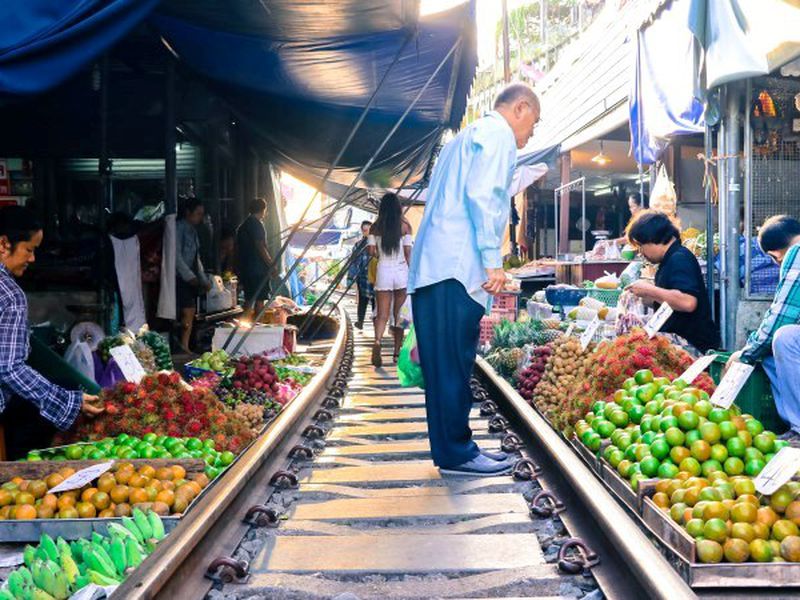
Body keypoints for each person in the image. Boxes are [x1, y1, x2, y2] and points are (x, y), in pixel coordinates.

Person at [407, 83, 540, 476]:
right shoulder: (497, 135)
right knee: (452, 363)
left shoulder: (465, 139)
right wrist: (491, 261)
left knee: (447, 364)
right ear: (520, 108)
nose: (529, 134)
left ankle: (456, 447)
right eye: (532, 125)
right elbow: (483, 198)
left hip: (438, 268)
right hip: (455, 268)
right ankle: (457, 455)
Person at [0, 206, 103, 459]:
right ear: (4, 243)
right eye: (30, 250)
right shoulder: (10, 295)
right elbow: (9, 368)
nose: (33, 259)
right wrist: (69, 402)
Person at [726, 215, 800, 442]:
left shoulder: (796, 253)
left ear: (774, 255)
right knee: (769, 351)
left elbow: (781, 317)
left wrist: (745, 354)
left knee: (784, 337)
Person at [625, 210, 719, 353]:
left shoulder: (679, 259)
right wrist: (646, 298)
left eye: (640, 246)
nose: (640, 253)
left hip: (693, 348)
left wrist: (650, 290)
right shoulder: (669, 259)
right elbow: (671, 299)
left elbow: (688, 302)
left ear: (651, 239)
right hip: (679, 345)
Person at [368, 193, 412, 367]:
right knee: (398, 315)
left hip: (383, 271)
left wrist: (379, 253)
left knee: (382, 314)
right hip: (401, 272)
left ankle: (377, 342)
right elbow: (408, 253)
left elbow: (371, 251)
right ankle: (396, 353)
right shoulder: (405, 226)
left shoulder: (375, 227)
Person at [176, 198, 210, 353]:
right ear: (188, 212)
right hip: (179, 278)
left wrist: (203, 279)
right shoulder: (178, 228)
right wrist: (191, 277)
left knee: (189, 313)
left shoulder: (192, 231)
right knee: (186, 312)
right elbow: (176, 257)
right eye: (198, 214)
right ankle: (183, 346)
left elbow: (197, 259)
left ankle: (185, 345)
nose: (200, 218)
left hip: (189, 279)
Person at [236, 198, 274, 318]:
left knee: (249, 298)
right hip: (258, 270)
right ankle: (257, 326)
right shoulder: (257, 225)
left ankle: (245, 325)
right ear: (263, 210)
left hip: (246, 268)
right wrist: (271, 264)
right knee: (259, 299)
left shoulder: (243, 225)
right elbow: (260, 247)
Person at [347, 220, 374, 330]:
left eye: (368, 230)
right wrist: (350, 277)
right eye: (364, 230)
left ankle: (376, 323)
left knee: (375, 302)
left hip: (375, 278)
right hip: (362, 278)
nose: (366, 232)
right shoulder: (358, 245)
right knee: (362, 301)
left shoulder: (378, 243)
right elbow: (353, 262)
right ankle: (360, 321)